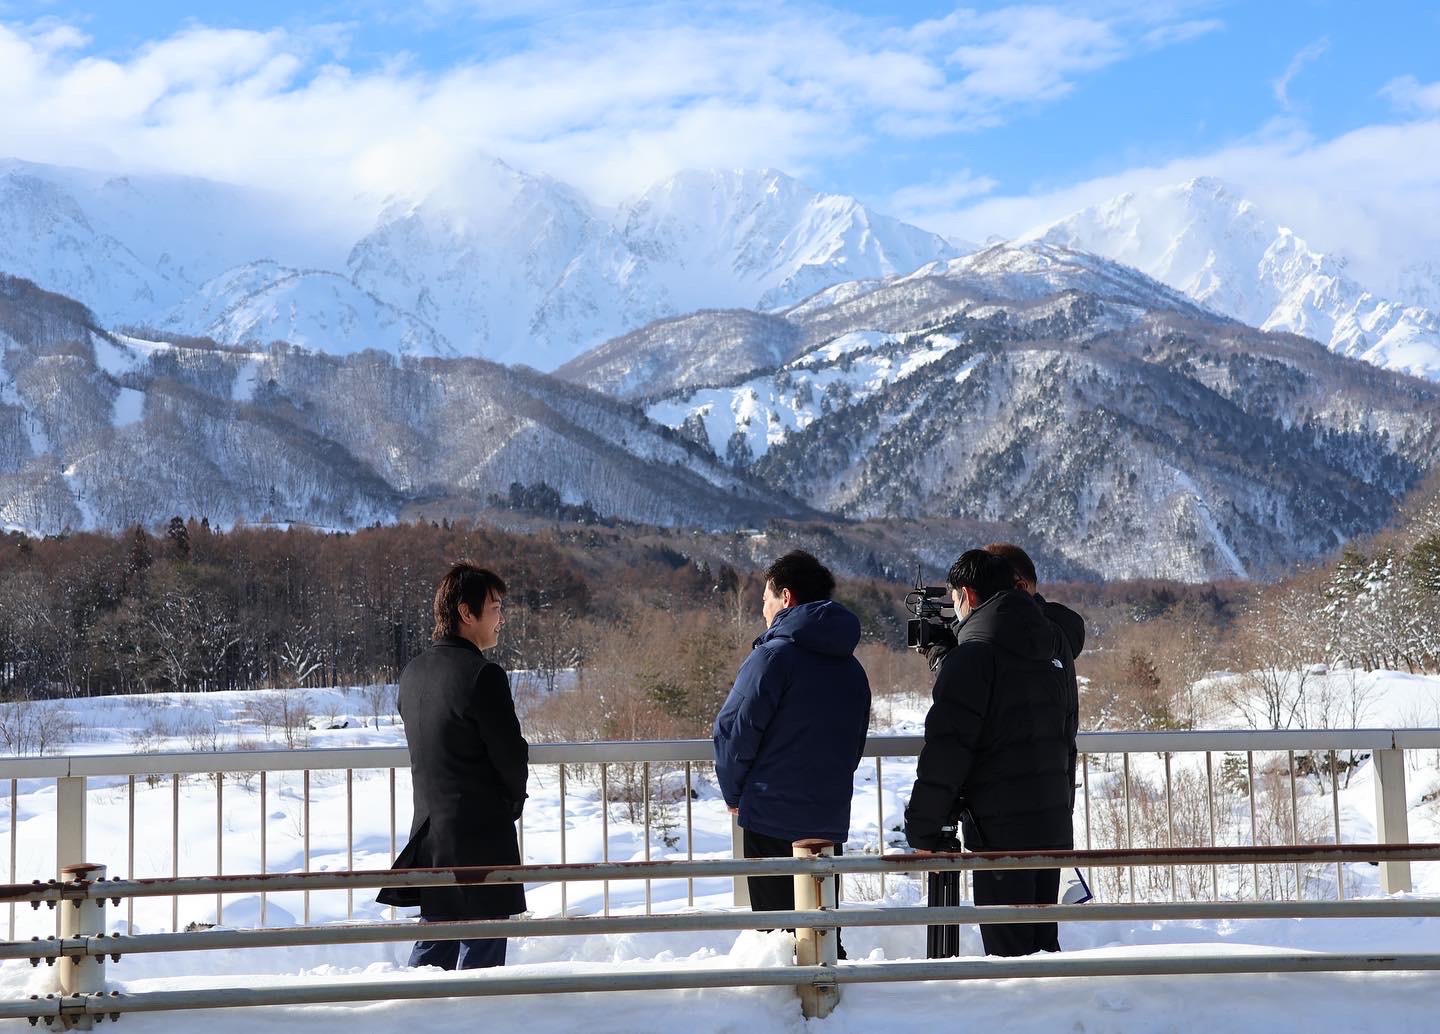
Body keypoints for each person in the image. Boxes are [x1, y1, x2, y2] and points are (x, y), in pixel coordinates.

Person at [904, 549, 1074, 957]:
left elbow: (948, 748)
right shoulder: (1054, 644)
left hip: (1000, 830)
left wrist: (924, 829)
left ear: (967, 595)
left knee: (1009, 949)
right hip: (1052, 818)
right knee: (1042, 943)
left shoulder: (975, 656)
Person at [713, 550, 871, 956]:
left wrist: (734, 794)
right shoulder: (851, 667)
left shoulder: (772, 657)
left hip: (771, 813)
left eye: (764, 598)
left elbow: (734, 732)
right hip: (826, 815)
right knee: (821, 928)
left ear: (785, 597)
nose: (762, 608)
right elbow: (854, 743)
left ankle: (786, 1014)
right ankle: (832, 1009)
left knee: (777, 934)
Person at [377, 563, 528, 970]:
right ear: (467, 613)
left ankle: (415, 1018)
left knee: (432, 954)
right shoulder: (483, 675)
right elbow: (512, 758)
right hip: (480, 841)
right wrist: (512, 804)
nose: (502, 617)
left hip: (431, 839)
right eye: (495, 607)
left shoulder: (413, 674)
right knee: (481, 961)